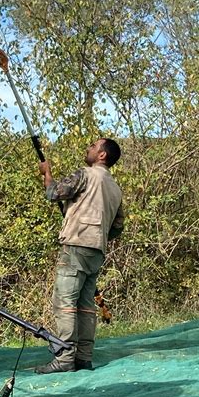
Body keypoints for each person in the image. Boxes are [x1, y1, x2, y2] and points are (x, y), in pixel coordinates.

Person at [36, 138, 124, 374]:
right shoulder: (115, 188)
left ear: (102, 155)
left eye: (93, 146)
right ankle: (83, 358)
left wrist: (47, 173)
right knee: (85, 306)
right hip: (97, 250)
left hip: (76, 246)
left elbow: (53, 193)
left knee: (64, 303)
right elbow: (117, 227)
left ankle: (64, 358)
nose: (89, 148)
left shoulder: (85, 174)